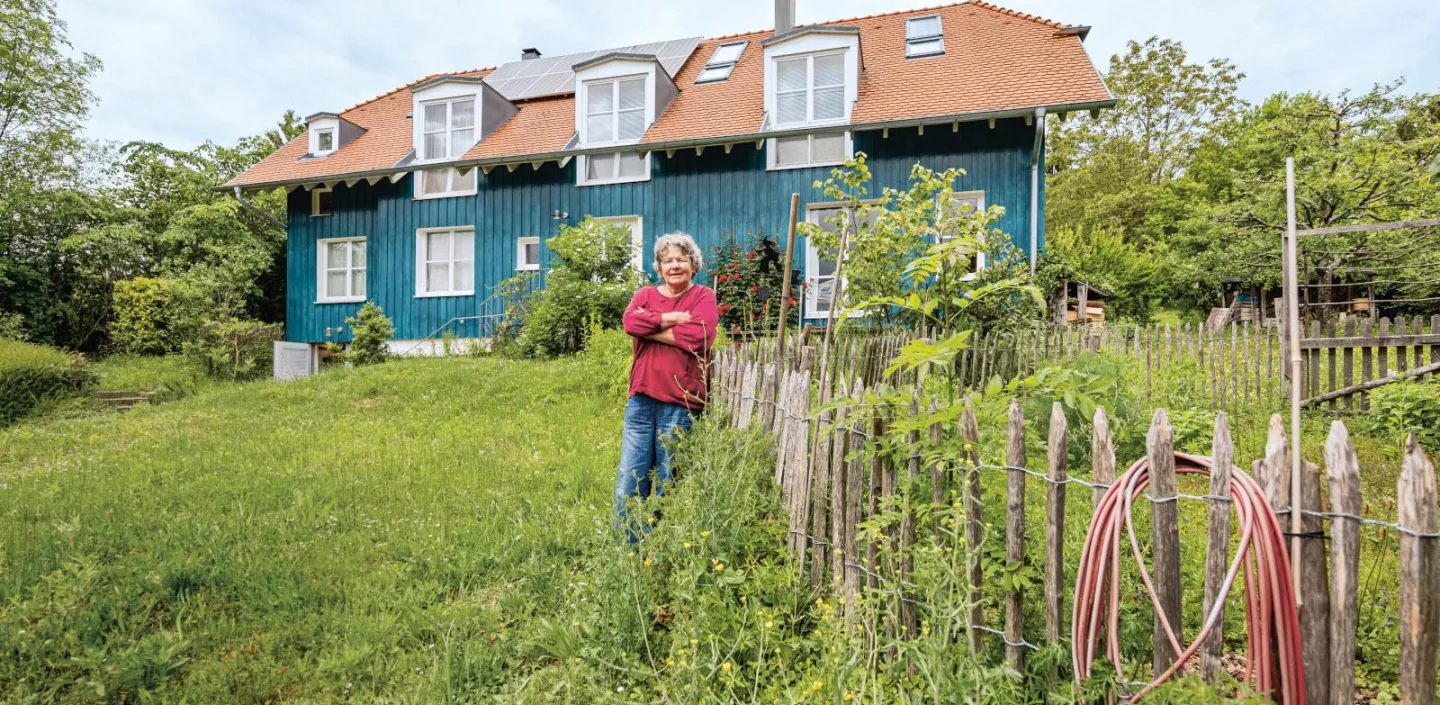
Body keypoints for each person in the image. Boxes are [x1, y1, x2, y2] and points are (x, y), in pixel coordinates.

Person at [615, 232, 717, 541]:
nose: (675, 266)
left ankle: (663, 547)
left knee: (669, 480)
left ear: (693, 265)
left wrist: (652, 327)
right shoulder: (644, 294)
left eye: (681, 260)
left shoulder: (703, 296)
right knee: (630, 480)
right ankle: (631, 547)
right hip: (642, 398)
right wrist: (672, 317)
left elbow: (698, 337)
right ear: (659, 266)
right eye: (668, 260)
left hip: (682, 401)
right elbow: (630, 323)